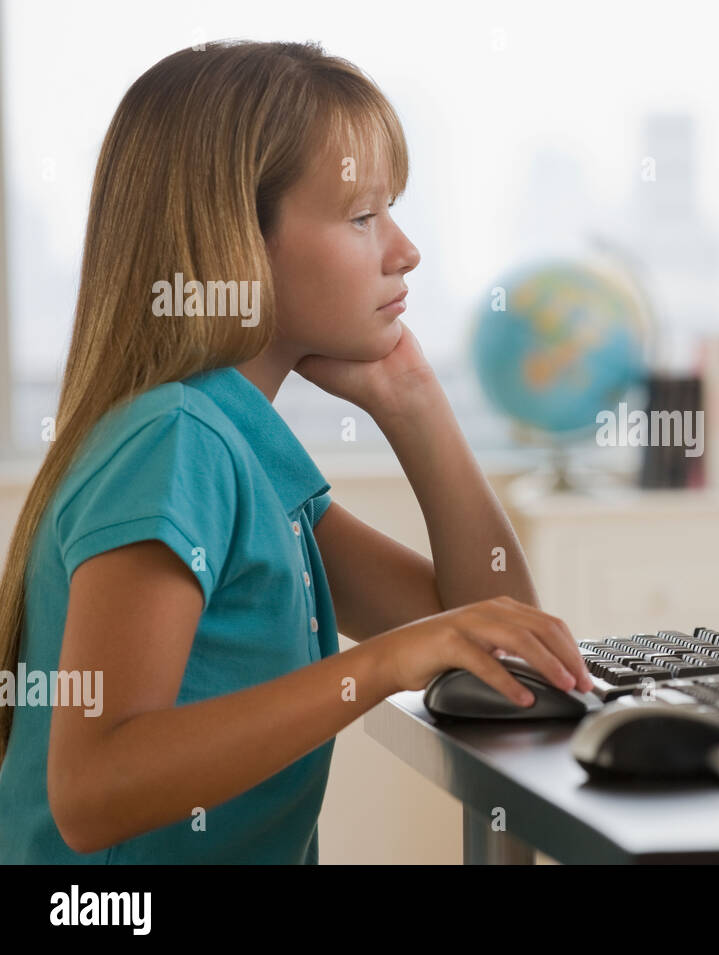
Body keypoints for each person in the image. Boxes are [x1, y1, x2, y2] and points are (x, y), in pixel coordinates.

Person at [0, 39, 592, 864]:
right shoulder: (176, 441)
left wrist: (416, 402)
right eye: (362, 217)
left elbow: (501, 649)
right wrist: (377, 666)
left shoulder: (246, 452)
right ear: (235, 239)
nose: (404, 249)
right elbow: (92, 794)